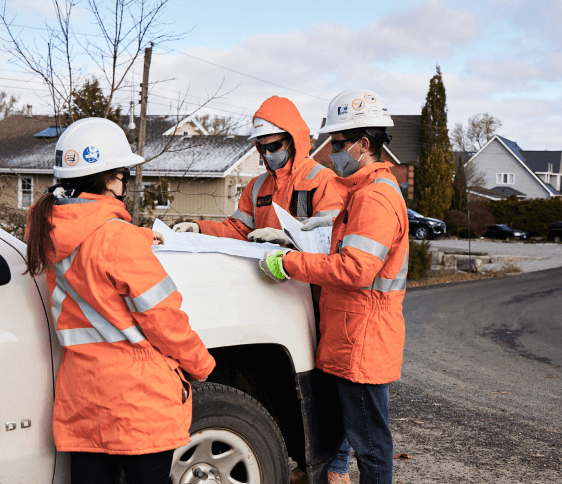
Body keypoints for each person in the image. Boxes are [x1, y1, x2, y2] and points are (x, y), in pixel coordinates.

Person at [25, 118, 215, 484]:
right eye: (125, 173)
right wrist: (201, 363)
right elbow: (164, 319)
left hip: (82, 395)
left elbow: (89, 242)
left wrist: (136, 235)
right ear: (112, 178)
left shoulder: (47, 228)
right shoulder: (118, 240)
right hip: (136, 401)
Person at [259, 89, 408, 484]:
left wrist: (289, 263)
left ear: (363, 144)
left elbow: (356, 269)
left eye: (339, 144)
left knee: (371, 443)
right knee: (349, 425)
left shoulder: (375, 197)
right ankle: (334, 476)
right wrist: (325, 226)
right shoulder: (363, 193)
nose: (331, 153)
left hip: (363, 337)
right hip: (352, 332)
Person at [173, 95, 342, 243]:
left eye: (274, 146)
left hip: (305, 276)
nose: (267, 153)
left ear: (293, 140)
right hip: (264, 275)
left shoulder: (323, 180)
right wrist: (199, 229)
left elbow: (329, 235)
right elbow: (238, 231)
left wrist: (290, 237)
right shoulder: (256, 187)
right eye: (262, 148)